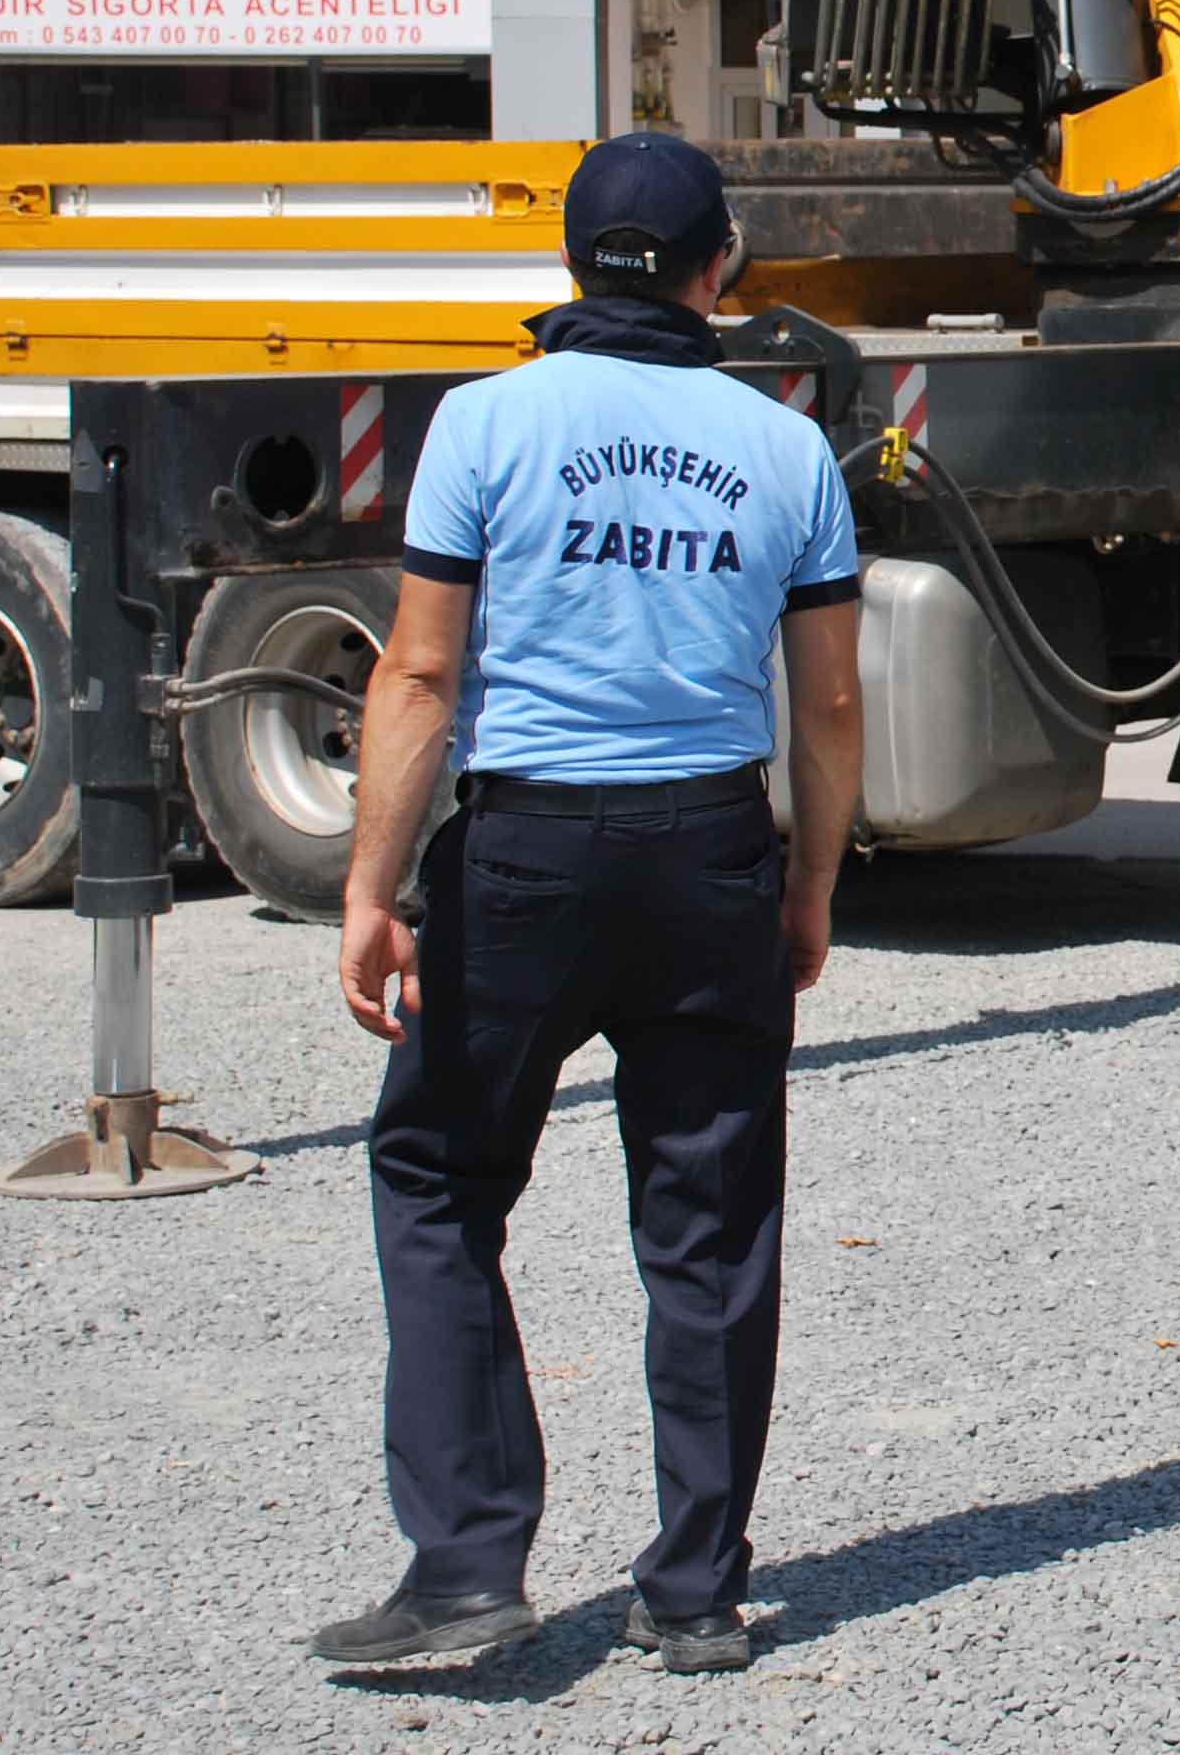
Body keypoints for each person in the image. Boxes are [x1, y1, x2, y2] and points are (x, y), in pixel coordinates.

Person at [317, 132, 865, 1677]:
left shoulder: (486, 421)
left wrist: (370, 887)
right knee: (708, 1225)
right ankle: (695, 1588)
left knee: (437, 1175)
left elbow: (422, 670)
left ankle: (467, 1562)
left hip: (529, 855)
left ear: (570, 262)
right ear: (719, 270)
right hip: (709, 850)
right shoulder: (785, 447)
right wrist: (809, 885)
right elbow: (826, 706)